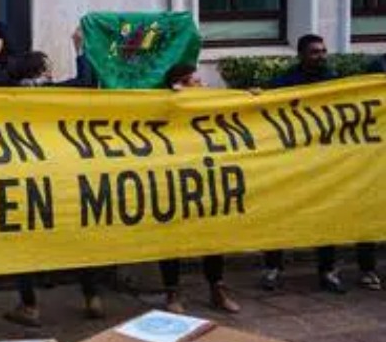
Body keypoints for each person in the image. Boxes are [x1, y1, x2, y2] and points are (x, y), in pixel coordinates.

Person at [261, 33, 381, 292]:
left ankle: (327, 270)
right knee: (280, 214)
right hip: (293, 161)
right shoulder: (284, 83)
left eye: (323, 51)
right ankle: (273, 268)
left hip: (326, 163)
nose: (321, 56)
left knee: (326, 215)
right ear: (301, 55)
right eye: (315, 52)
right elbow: (263, 105)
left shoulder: (334, 81)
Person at [3, 50, 104, 326]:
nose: (50, 72)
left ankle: (29, 305)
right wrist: (82, 50)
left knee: (24, 245)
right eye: (46, 68)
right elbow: (86, 82)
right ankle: (92, 296)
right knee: (77, 238)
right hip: (62, 176)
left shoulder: (8, 99)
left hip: (28, 181)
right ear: (37, 71)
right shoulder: (55, 94)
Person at [158, 63, 241, 314]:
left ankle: (217, 288)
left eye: (199, 80)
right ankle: (172, 292)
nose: (201, 85)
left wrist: (253, 98)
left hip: (206, 178)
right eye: (193, 81)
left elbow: (237, 110)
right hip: (174, 180)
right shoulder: (162, 108)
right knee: (171, 238)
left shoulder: (209, 104)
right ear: (178, 85)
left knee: (212, 235)